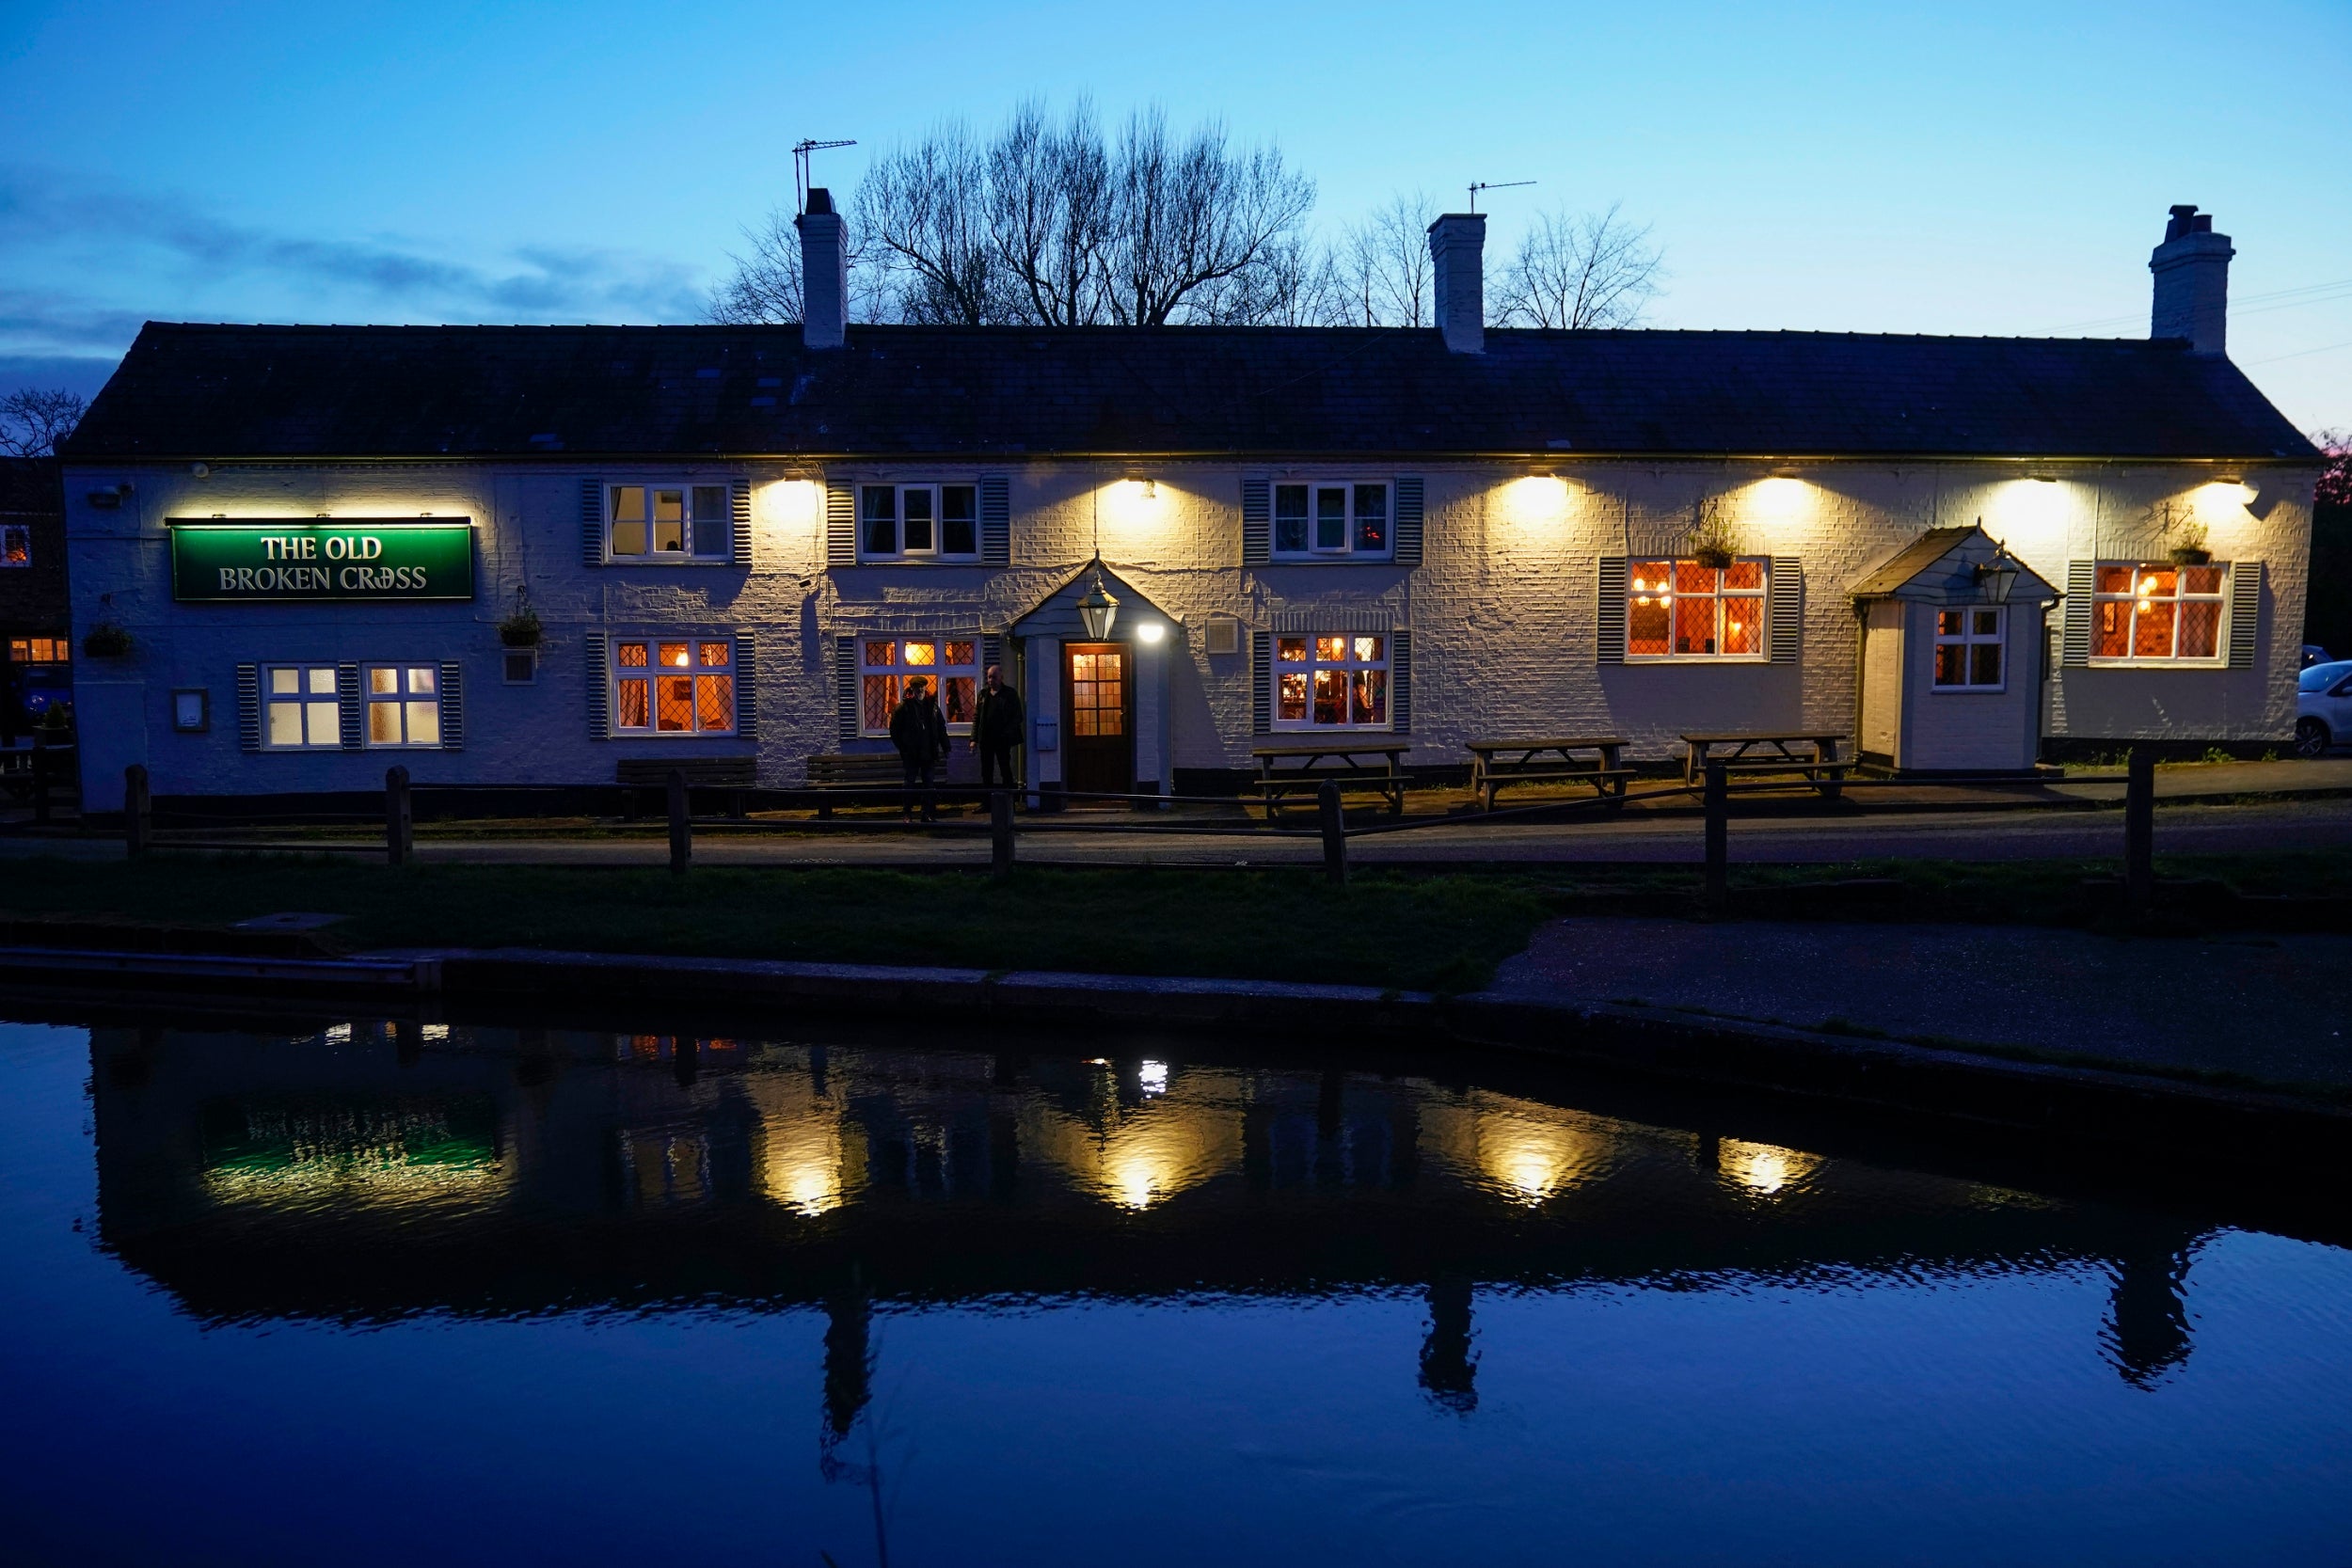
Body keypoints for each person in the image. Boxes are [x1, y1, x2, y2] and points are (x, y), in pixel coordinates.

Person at [888, 674, 949, 821]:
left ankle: (926, 813)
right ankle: (907, 813)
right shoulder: (904, 708)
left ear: (925, 687)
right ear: (912, 689)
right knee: (909, 783)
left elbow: (941, 727)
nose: (920, 689)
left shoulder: (932, 706)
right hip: (912, 753)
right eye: (917, 687)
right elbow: (894, 730)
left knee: (928, 783)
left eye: (922, 687)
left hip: (928, 751)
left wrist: (946, 746)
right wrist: (903, 747)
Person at [971, 663, 1025, 790]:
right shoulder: (983, 695)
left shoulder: (1010, 694)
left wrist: (1006, 732)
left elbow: (1018, 717)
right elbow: (977, 717)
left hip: (1002, 739)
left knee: (1005, 769)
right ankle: (987, 802)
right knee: (986, 771)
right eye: (989, 677)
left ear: (1001, 677)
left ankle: (1008, 801)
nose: (990, 680)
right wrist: (973, 739)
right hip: (986, 739)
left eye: (994, 677)